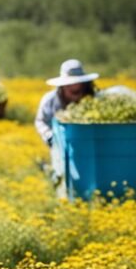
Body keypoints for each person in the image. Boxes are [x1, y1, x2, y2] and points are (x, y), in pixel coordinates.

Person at [34, 59, 99, 196]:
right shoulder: (50, 100)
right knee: (63, 180)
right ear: (63, 86)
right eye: (70, 84)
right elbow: (40, 121)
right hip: (60, 149)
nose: (74, 87)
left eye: (77, 83)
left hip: (91, 151)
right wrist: (50, 136)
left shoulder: (94, 99)